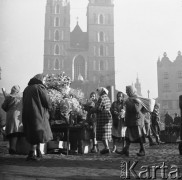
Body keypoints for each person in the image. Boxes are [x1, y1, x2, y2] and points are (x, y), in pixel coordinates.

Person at [22, 74, 53, 161]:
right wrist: (51, 107)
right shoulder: (39, 87)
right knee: (38, 132)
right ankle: (31, 153)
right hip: (37, 113)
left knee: (33, 132)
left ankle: (38, 151)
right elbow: (47, 101)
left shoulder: (26, 88)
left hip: (27, 113)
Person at [119, 85, 146, 157]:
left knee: (139, 136)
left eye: (128, 91)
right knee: (128, 136)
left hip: (136, 121)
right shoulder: (130, 98)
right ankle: (126, 149)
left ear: (131, 91)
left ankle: (142, 150)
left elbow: (136, 109)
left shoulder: (137, 98)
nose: (126, 92)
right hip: (131, 121)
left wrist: (127, 102)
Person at [1, 85, 23, 154]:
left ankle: (12, 147)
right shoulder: (21, 98)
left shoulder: (9, 97)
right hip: (19, 117)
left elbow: (3, 106)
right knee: (16, 132)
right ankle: (13, 148)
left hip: (10, 116)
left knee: (11, 132)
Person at [93, 87, 112, 154]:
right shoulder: (108, 98)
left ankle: (106, 148)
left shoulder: (101, 98)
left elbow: (98, 108)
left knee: (103, 132)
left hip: (103, 116)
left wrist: (93, 108)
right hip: (107, 116)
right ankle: (106, 147)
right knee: (105, 133)